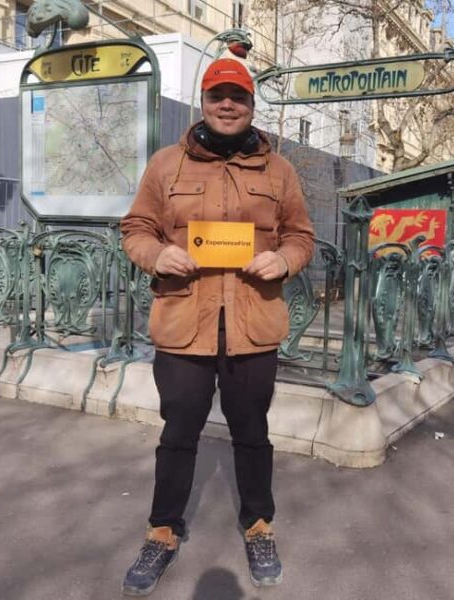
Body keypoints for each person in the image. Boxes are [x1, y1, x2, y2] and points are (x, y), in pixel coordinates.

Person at [119, 57, 314, 596]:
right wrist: (157, 255)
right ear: (202, 102)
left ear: (252, 105)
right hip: (184, 325)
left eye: (239, 96)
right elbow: (135, 228)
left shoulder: (280, 172)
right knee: (178, 434)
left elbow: (301, 235)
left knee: (253, 433)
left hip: (253, 326)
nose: (228, 105)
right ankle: (163, 530)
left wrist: (285, 261)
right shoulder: (166, 165)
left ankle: (257, 524)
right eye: (217, 95)